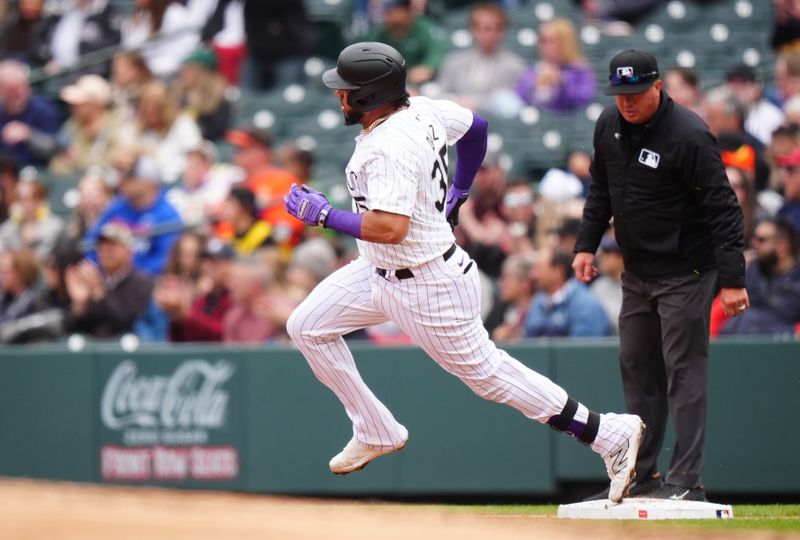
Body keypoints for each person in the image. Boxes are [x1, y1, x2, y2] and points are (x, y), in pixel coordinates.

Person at [282, 41, 644, 502]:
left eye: (347, 90)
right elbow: (477, 128)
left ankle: (606, 434)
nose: (339, 96)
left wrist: (324, 216)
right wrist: (460, 188)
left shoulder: (388, 146)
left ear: (371, 95)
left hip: (427, 280)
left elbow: (390, 227)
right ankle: (375, 429)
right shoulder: (424, 110)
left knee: (490, 376)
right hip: (379, 271)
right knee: (307, 325)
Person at [573, 50, 749, 502]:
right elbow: (600, 190)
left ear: (657, 86)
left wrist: (732, 279)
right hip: (638, 271)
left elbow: (723, 208)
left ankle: (687, 480)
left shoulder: (689, 134)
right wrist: (585, 245)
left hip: (686, 270)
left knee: (684, 371)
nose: (626, 102)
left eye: (635, 93)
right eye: (620, 94)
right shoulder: (607, 125)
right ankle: (642, 473)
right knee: (637, 368)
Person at [87, 153, 182, 276]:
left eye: (129, 176)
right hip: (110, 279)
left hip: (147, 283)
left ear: (148, 181)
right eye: (121, 175)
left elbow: (164, 260)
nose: (122, 180)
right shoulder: (117, 207)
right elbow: (90, 244)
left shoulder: (168, 215)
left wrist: (128, 274)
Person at [65, 221, 154, 338]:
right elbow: (78, 329)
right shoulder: (93, 278)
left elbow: (124, 322)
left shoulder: (142, 282)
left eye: (112, 246)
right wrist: (80, 304)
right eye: (101, 246)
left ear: (128, 251)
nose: (105, 251)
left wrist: (99, 292)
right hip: (93, 349)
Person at [435, 2, 525, 115]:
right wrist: (457, 102)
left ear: (502, 31)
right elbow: (440, 94)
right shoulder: (454, 61)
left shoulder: (514, 66)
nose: (484, 34)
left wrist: (474, 103)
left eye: (490, 28)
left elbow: (508, 104)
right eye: (478, 27)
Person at [721, 217, 800, 336]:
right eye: (753, 238)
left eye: (761, 240)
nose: (753, 243)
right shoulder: (751, 273)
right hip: (743, 344)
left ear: (783, 245)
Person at [514, 17, 596, 114]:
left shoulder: (580, 72)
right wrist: (534, 85)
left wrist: (561, 82)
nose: (543, 46)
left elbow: (583, 102)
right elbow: (519, 97)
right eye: (542, 40)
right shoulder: (534, 71)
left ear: (565, 43)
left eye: (550, 41)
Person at [524, 248, 611, 337]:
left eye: (538, 268)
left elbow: (584, 348)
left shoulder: (585, 305)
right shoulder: (538, 301)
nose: (532, 275)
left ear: (557, 272)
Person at [0, 60, 59, 168]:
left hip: (37, 173)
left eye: (20, 88)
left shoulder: (43, 108)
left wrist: (28, 135)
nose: (17, 95)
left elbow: (52, 150)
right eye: (11, 90)